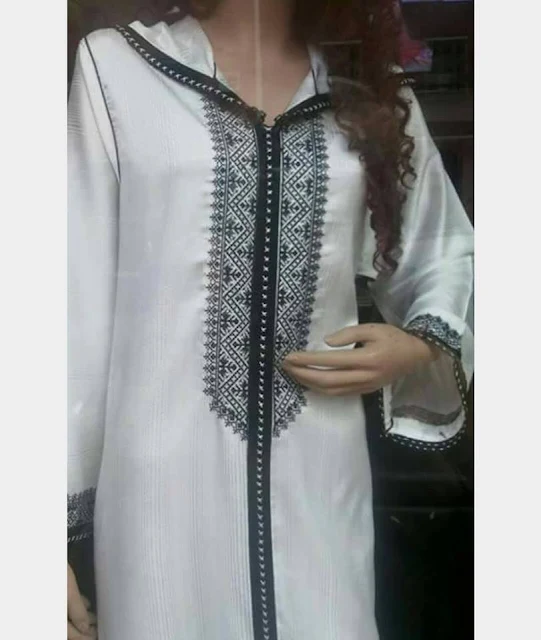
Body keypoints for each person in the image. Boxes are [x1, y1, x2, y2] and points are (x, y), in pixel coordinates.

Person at [67, 0, 474, 638]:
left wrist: (422, 343)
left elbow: (444, 248)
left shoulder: (367, 85)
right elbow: (72, 303)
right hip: (159, 500)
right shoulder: (116, 68)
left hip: (322, 483)